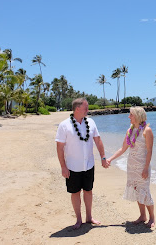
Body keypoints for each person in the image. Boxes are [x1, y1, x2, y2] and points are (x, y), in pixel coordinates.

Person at [55, 98, 108, 230]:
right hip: (72, 166)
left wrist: (103, 157)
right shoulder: (64, 125)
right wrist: (63, 166)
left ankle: (89, 217)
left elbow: (98, 140)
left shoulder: (91, 122)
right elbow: (60, 147)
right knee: (75, 193)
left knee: (88, 191)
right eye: (86, 107)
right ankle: (78, 219)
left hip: (89, 164)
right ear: (77, 108)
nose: (88, 110)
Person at [106, 107, 155, 228]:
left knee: (145, 190)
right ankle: (142, 216)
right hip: (132, 166)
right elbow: (122, 149)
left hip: (142, 166)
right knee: (137, 189)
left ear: (138, 116)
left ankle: (152, 218)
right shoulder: (130, 130)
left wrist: (145, 168)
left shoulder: (147, 130)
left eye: (131, 115)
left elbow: (149, 151)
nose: (129, 117)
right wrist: (110, 159)